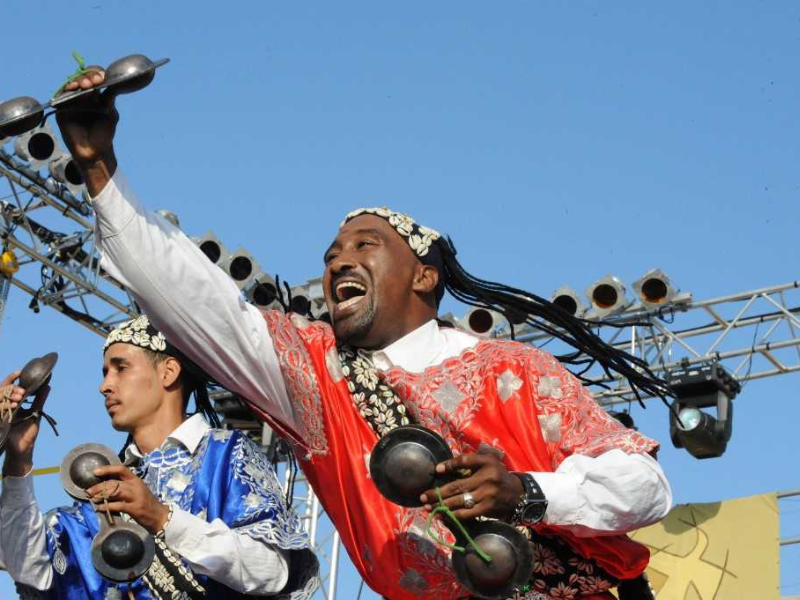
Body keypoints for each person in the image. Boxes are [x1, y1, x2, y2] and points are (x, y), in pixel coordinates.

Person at [53, 69, 672, 600]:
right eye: (331, 253)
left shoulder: (512, 368)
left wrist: (525, 492)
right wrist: (100, 170)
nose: (339, 260)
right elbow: (192, 297)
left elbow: (645, 488)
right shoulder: (311, 375)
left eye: (365, 245)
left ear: (425, 275)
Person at [0, 315, 319, 599]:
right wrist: (18, 459)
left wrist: (161, 518)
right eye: (105, 372)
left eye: (121, 368)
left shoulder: (225, 455)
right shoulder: (106, 487)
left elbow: (271, 570)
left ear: (168, 372)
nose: (104, 386)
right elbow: (32, 569)